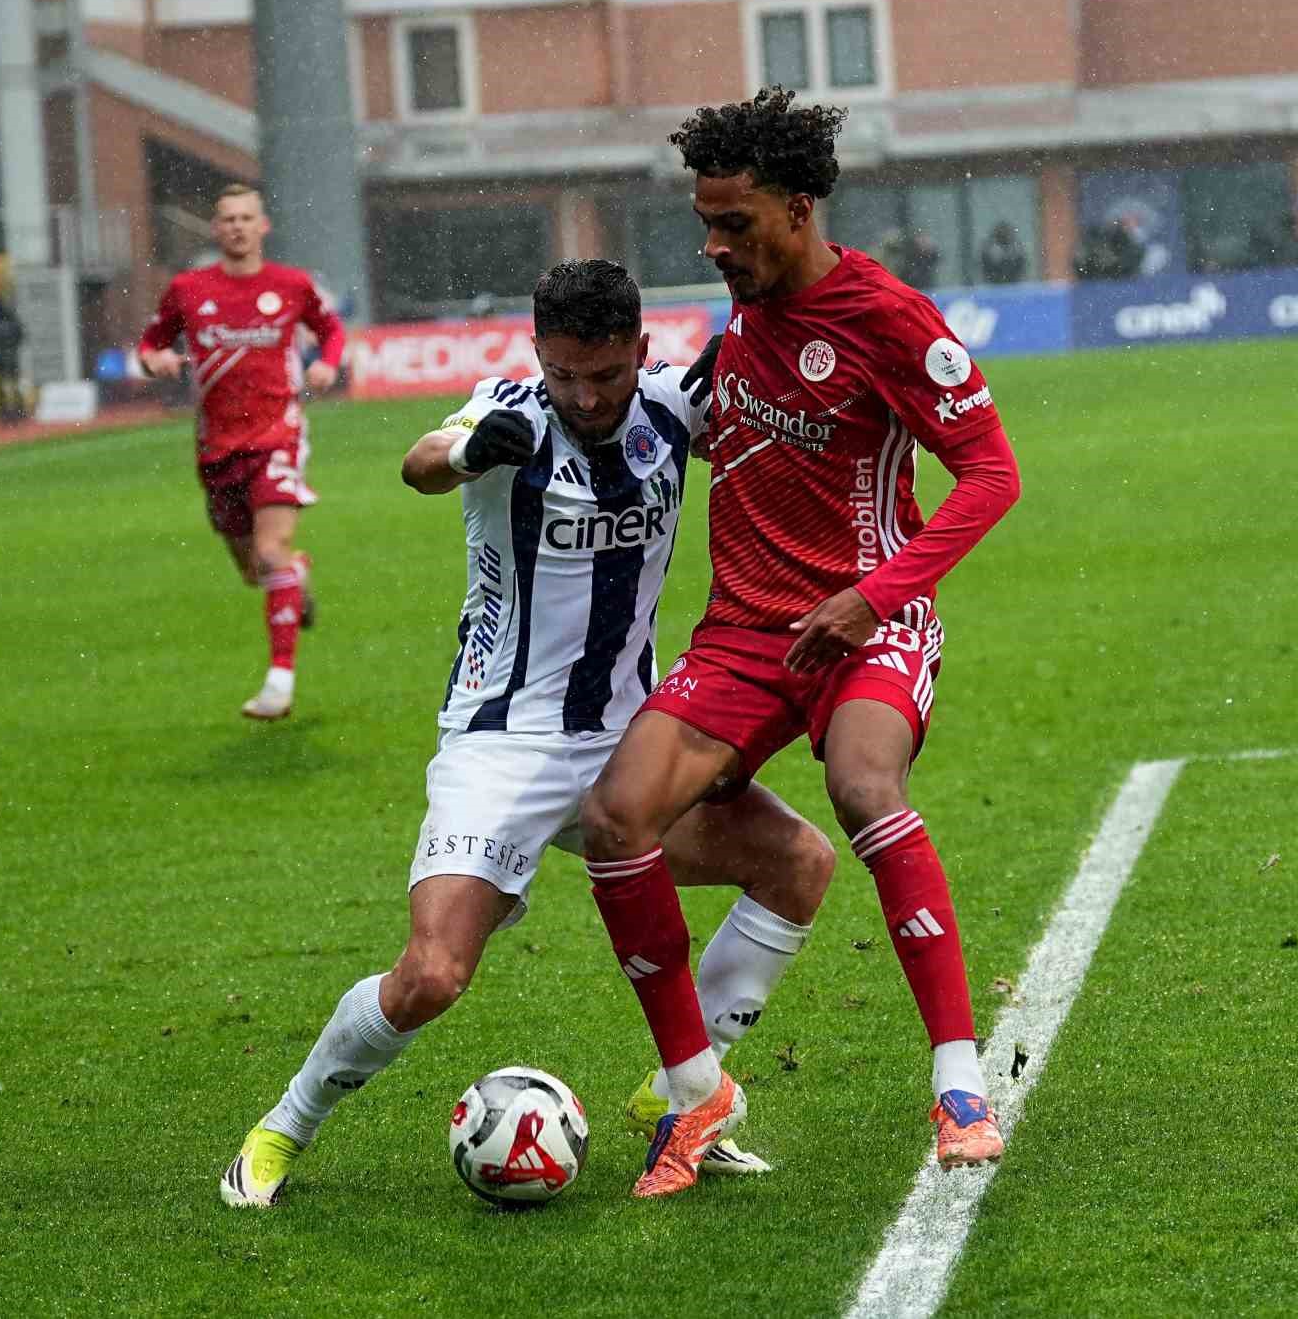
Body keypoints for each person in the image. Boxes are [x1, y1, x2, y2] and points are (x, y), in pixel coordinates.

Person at [219, 259, 836, 1207]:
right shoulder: (505, 411)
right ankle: (281, 1128)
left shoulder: (674, 408)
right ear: (537, 358)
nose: (584, 397)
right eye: (563, 376)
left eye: (604, 375)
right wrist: (469, 453)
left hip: (635, 743)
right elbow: (423, 461)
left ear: (640, 349)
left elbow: (783, 408)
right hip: (498, 743)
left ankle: (685, 1092)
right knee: (430, 974)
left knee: (798, 862)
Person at [577, 89, 1022, 1199]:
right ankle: (695, 1090)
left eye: (734, 224)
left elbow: (992, 476)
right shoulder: (737, 332)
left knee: (863, 786)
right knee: (615, 817)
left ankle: (959, 1082)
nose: (712, 244)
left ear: (798, 206)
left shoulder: (890, 319)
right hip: (741, 633)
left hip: (868, 621)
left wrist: (876, 595)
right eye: (705, 222)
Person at [139, 182, 345, 720]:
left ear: (263, 226)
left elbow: (332, 329)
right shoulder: (187, 289)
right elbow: (151, 341)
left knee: (270, 553)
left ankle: (279, 684)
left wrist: (326, 362)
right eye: (227, 218)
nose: (236, 226)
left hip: (277, 436)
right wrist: (154, 361)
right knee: (256, 570)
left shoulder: (291, 285)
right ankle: (293, 577)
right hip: (216, 447)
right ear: (216, 227)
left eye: (246, 217)